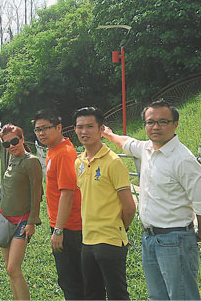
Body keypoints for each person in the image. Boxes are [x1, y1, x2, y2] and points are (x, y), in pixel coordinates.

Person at [102, 99, 201, 300]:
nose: (155, 126)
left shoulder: (183, 159)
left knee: (182, 296)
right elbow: (126, 143)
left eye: (163, 121)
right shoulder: (147, 149)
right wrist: (109, 135)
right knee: (157, 296)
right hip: (149, 237)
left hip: (176, 240)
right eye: (150, 122)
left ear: (175, 124)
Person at [73, 107, 136, 300]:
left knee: (117, 294)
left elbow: (129, 207)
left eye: (90, 126)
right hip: (87, 240)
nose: (84, 132)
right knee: (92, 293)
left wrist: (118, 228)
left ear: (101, 129)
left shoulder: (113, 162)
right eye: (80, 127)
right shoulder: (79, 162)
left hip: (110, 240)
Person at [0, 118, 43, 300]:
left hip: (22, 222)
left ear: (22, 139)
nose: (11, 146)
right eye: (7, 143)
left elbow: (37, 193)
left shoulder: (31, 162)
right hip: (4, 218)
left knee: (13, 268)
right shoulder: (8, 155)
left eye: (15, 141)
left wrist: (32, 222)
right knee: (10, 271)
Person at [32, 109, 84, 300]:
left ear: (59, 127)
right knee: (69, 279)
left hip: (70, 228)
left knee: (73, 280)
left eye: (46, 128)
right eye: (38, 130)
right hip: (62, 225)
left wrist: (59, 230)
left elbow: (68, 194)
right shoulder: (53, 151)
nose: (41, 133)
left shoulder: (63, 153)